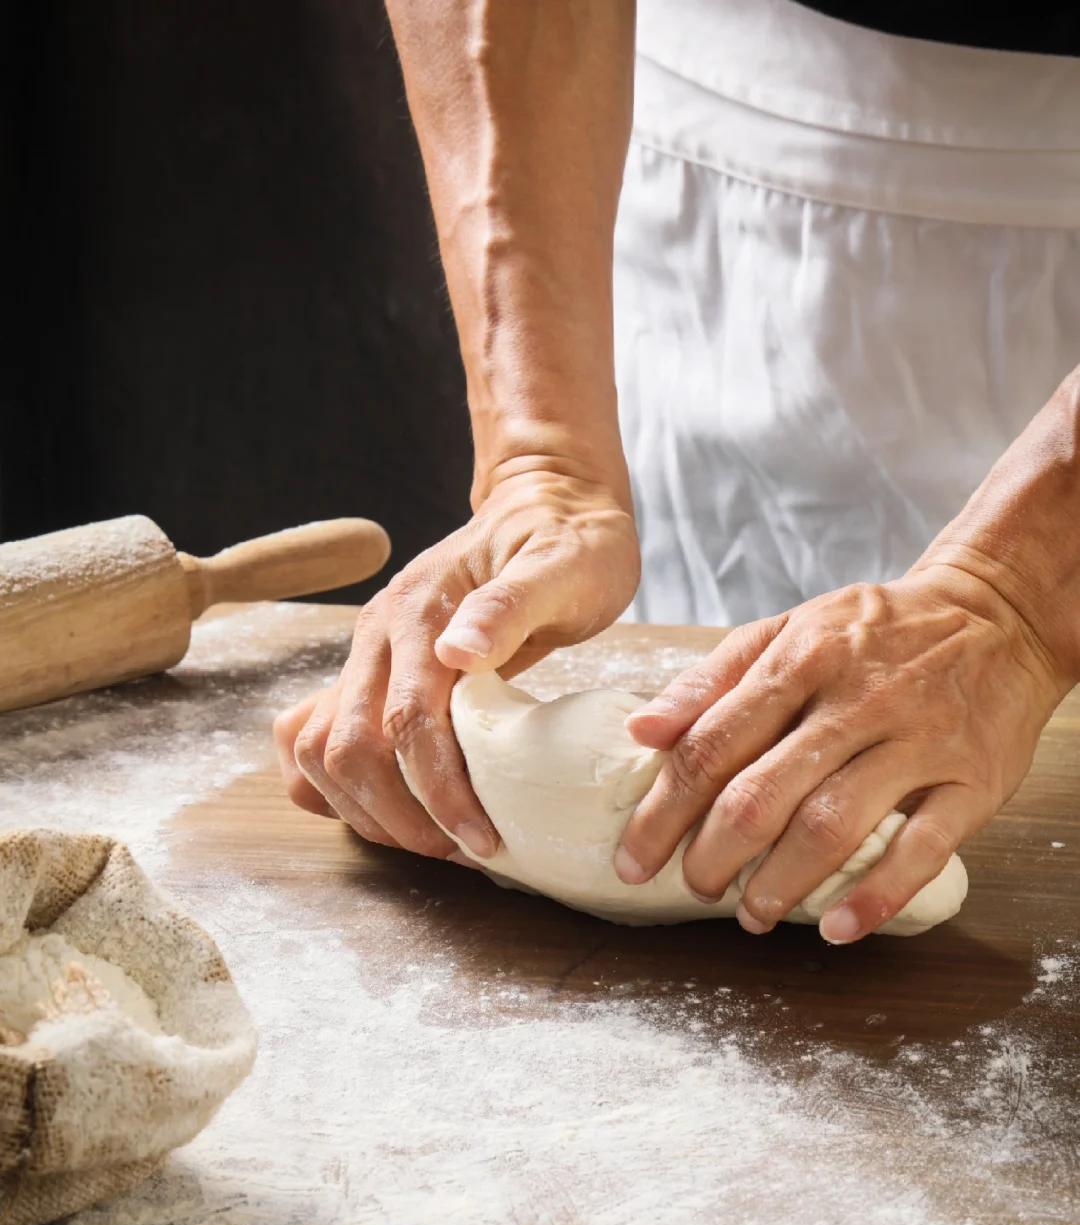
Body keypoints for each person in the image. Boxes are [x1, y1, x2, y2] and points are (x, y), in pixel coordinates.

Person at [275, 0, 1080, 944]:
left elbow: (1012, 593)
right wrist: (543, 457)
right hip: (677, 187)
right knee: (709, 740)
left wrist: (1012, 594)